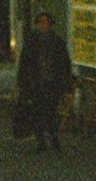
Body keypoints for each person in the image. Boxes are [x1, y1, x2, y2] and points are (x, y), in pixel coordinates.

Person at [15, 12, 73, 153]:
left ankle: (53, 140)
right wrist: (21, 83)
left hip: (52, 83)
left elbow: (65, 64)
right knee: (37, 111)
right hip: (35, 83)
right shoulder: (31, 43)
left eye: (46, 22)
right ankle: (41, 141)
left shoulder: (58, 43)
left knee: (51, 112)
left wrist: (67, 85)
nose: (43, 25)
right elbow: (24, 64)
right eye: (41, 22)